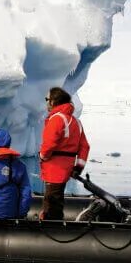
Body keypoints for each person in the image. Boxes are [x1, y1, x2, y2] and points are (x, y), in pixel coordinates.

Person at [38, 87, 90, 221]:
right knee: (56, 197)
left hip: (54, 168)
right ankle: (55, 223)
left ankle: (52, 227)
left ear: (53, 101)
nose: (46, 102)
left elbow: (50, 143)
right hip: (66, 168)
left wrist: (43, 156)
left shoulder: (56, 119)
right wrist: (78, 167)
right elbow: (84, 147)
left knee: (51, 201)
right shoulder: (76, 122)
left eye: (47, 99)